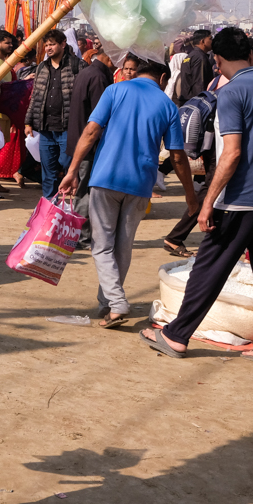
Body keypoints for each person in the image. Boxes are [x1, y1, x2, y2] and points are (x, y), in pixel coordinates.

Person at [141, 27, 253, 363]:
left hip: (238, 198)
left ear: (217, 60)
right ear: (250, 53)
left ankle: (176, 335)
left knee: (208, 268)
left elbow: (231, 153)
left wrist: (207, 202)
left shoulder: (232, 93)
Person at [59, 59, 197, 328]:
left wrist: (73, 170)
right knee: (123, 245)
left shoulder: (115, 90)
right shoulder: (168, 105)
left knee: (102, 245)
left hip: (106, 177)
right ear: (163, 77)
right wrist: (190, 196)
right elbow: (177, 156)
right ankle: (109, 303)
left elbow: (91, 131)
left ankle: (115, 302)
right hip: (141, 183)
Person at [65, 50, 115, 249]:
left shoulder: (87, 72)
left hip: (79, 140)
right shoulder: (98, 77)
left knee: (81, 188)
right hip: (88, 144)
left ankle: (79, 235)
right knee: (85, 191)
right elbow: (99, 117)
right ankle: (82, 237)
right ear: (109, 57)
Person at [24, 29, 82, 197]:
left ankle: (73, 202)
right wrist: (28, 122)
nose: (48, 48)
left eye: (52, 44)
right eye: (46, 45)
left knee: (67, 164)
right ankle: (50, 203)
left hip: (67, 127)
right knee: (48, 171)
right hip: (45, 127)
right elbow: (35, 96)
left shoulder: (77, 66)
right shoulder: (42, 67)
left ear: (63, 44)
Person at [174, 29, 214, 105]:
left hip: (186, 100)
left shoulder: (190, 56)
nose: (212, 41)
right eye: (210, 39)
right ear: (202, 41)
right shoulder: (200, 57)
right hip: (195, 102)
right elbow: (200, 83)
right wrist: (201, 103)